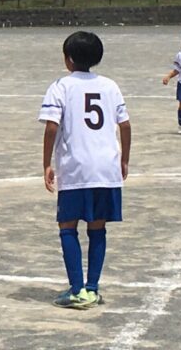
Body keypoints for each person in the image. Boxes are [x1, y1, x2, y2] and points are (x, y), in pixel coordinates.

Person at [39, 31, 131, 309]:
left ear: (68, 59)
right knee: (98, 227)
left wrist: (46, 163)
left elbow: (52, 126)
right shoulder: (110, 85)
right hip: (106, 167)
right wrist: (124, 160)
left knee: (67, 226)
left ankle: (77, 290)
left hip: (76, 167)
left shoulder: (61, 86)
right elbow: (125, 125)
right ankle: (92, 288)